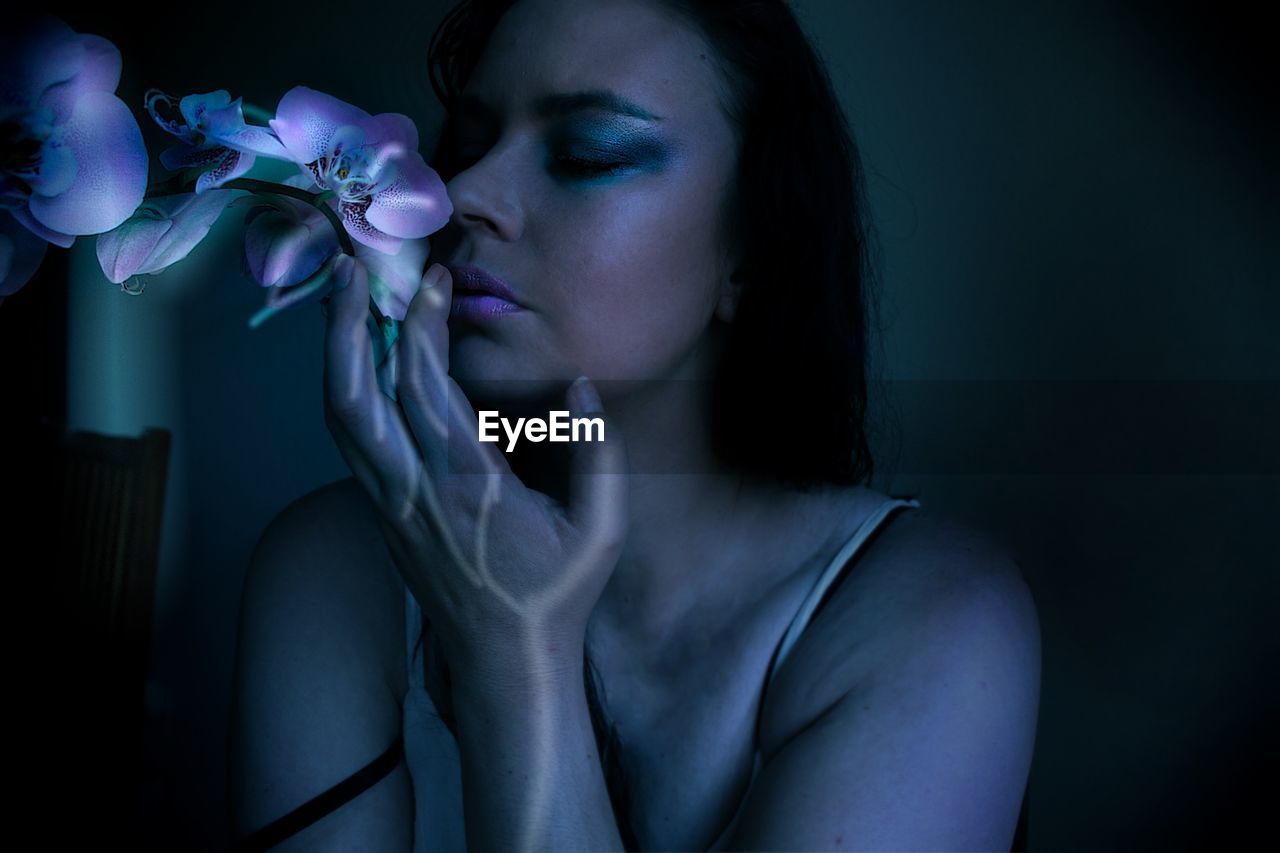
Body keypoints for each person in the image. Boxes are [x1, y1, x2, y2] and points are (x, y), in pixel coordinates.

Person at [228, 0, 1041, 850]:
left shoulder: (929, 620)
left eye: (586, 155)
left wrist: (515, 647)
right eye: (465, 144)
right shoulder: (334, 570)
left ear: (754, 251)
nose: (462, 193)